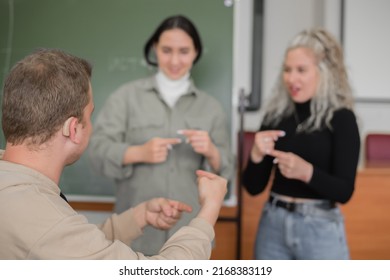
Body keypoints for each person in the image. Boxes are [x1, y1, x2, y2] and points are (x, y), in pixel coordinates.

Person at [0, 48, 228, 260]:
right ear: (73, 129)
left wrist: (138, 217)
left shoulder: (18, 195)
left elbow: (73, 246)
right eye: (90, 115)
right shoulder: (43, 220)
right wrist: (209, 209)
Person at [88, 15, 233, 255]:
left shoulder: (212, 108)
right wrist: (137, 152)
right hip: (135, 239)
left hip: (190, 238)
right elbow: (95, 152)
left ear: (196, 52)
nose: (175, 60)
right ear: (155, 49)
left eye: (184, 51)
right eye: (167, 50)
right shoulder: (125, 98)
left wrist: (212, 152)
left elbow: (226, 176)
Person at [242, 28, 360, 260]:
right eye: (287, 70)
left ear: (324, 72)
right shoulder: (275, 117)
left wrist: (307, 173)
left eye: (301, 70)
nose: (291, 78)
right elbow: (253, 187)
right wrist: (256, 154)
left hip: (320, 229)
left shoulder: (342, 118)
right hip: (272, 226)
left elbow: (345, 191)